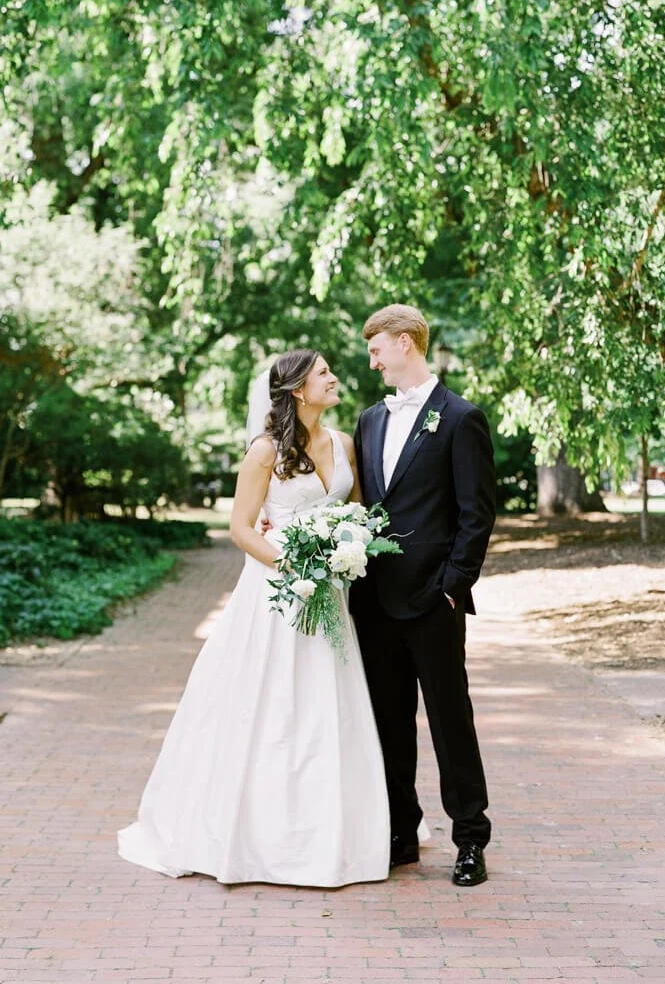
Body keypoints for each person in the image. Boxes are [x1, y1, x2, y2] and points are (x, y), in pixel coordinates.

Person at [118, 349, 389, 887]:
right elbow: (241, 529)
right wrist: (295, 566)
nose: (334, 378)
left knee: (326, 703)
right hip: (278, 593)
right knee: (274, 702)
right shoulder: (265, 451)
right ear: (297, 390)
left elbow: (357, 511)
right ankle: (252, 834)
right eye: (323, 373)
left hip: (330, 593)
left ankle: (333, 834)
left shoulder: (343, 444)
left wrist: (346, 547)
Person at [351, 304, 497, 887]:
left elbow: (476, 514)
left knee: (449, 720)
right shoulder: (369, 420)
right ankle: (400, 833)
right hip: (374, 602)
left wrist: (453, 587)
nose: (372, 361)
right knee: (389, 723)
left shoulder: (461, 418)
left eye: (376, 349)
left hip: (435, 602)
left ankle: (470, 839)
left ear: (405, 342)